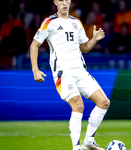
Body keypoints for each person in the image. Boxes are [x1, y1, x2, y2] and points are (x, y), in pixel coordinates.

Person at [30, 0, 110, 150]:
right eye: (61, 0)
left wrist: (94, 39)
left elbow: (84, 48)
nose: (64, 3)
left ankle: (88, 141)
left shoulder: (77, 22)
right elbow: (34, 45)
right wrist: (35, 69)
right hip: (63, 72)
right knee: (78, 105)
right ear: (55, 2)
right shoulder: (49, 22)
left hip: (80, 71)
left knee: (104, 102)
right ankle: (76, 147)